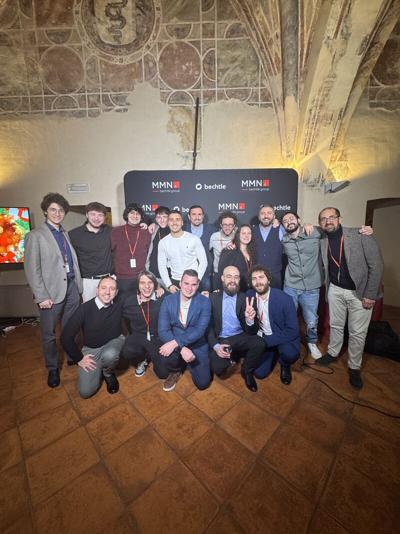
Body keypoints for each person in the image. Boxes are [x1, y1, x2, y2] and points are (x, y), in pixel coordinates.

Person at [317, 207, 384, 389]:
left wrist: (370, 294)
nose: (328, 221)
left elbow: (377, 266)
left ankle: (354, 367)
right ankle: (333, 353)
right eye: (323, 219)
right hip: (335, 289)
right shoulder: (322, 238)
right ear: (320, 223)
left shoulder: (361, 235)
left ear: (339, 219)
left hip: (359, 292)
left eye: (332, 217)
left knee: (357, 333)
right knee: (336, 325)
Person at [25, 192, 82, 388]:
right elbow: (32, 269)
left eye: (61, 210)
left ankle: (71, 355)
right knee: (49, 334)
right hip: (50, 293)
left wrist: (78, 287)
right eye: (53, 210)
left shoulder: (65, 233)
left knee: (70, 327)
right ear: (45, 211)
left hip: (72, 287)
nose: (57, 213)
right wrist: (41, 296)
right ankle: (52, 368)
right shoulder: (35, 235)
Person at [60, 276, 124, 398]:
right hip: (92, 349)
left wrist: (157, 289)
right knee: (85, 392)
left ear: (116, 292)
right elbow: (65, 337)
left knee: (110, 354)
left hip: (115, 341)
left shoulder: (119, 304)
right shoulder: (84, 309)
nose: (107, 292)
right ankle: (100, 368)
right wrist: (79, 358)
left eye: (112, 289)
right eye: (103, 288)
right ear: (97, 290)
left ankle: (108, 373)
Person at [208, 265, 266, 392]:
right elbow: (209, 327)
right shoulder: (212, 298)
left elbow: (252, 331)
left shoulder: (246, 299)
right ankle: (233, 354)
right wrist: (216, 346)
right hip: (222, 338)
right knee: (218, 368)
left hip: (240, 336)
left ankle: (247, 371)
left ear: (239, 279)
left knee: (260, 343)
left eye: (236, 277)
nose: (232, 280)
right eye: (229, 276)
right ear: (222, 278)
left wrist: (250, 320)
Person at [157, 270, 212, 391]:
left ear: (198, 285)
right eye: (186, 283)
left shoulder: (205, 302)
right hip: (175, 342)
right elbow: (163, 330)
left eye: (193, 284)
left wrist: (176, 343)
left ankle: (188, 364)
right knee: (162, 367)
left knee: (203, 384)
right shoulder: (168, 300)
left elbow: (199, 330)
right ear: (180, 283)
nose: (189, 288)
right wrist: (182, 348)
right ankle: (176, 370)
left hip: (196, 343)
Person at [247, 265, 300, 385]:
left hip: (280, 336)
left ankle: (284, 364)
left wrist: (265, 342)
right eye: (254, 278)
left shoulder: (285, 299)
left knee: (290, 354)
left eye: (261, 277)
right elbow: (249, 329)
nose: (258, 282)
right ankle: (273, 353)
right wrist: (249, 320)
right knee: (259, 373)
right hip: (263, 336)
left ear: (269, 280)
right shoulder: (249, 296)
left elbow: (293, 330)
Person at [121, 270, 165, 377]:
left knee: (163, 374)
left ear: (155, 284)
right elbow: (124, 320)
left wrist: (162, 288)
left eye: (150, 282)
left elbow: (179, 297)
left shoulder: (162, 298)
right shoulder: (129, 302)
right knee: (127, 351)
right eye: (142, 283)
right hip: (139, 335)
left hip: (157, 337)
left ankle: (150, 355)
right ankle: (142, 359)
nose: (147, 286)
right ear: (137, 285)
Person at [69, 202, 112, 302]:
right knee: (89, 309)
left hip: (109, 279)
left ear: (104, 217)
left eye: (100, 215)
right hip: (88, 282)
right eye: (93, 214)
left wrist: (144, 225)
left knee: (110, 310)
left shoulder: (111, 231)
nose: (96, 218)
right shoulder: (73, 235)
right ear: (87, 215)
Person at [158, 211, 207, 292]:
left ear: (182, 222)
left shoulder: (194, 239)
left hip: (193, 280)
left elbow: (204, 262)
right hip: (175, 282)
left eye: (177, 219)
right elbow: (161, 265)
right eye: (171, 220)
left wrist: (197, 280)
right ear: (168, 223)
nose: (174, 223)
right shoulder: (163, 242)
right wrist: (169, 285)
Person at [111, 203, 151, 294]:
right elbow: (109, 254)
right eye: (132, 213)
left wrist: (152, 224)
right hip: (121, 278)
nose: (135, 216)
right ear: (126, 215)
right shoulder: (116, 232)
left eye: (138, 214)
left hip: (141, 277)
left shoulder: (146, 232)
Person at [253, 204, 285, 288]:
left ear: (274, 216)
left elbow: (296, 231)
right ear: (259, 217)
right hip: (256, 276)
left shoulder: (281, 229)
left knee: (275, 296)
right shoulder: (252, 231)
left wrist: (307, 225)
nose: (266, 216)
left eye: (269, 213)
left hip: (275, 276)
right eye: (263, 213)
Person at [218, 224, 257, 292]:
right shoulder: (229, 251)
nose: (246, 236)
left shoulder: (253, 252)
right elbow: (221, 272)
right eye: (243, 233)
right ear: (238, 235)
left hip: (251, 290)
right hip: (235, 290)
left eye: (249, 233)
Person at [185, 205, 215, 292]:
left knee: (205, 298)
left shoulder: (212, 229)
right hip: (188, 274)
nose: (197, 217)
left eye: (199, 214)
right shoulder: (183, 229)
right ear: (189, 216)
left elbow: (226, 233)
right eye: (194, 214)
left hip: (206, 273)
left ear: (203, 216)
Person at [209, 210, 237, 290]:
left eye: (230, 225)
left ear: (234, 225)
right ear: (221, 225)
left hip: (233, 274)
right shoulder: (214, 236)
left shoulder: (238, 236)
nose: (227, 227)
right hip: (218, 273)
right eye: (225, 225)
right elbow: (208, 251)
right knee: (217, 295)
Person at [146, 206, 170, 288]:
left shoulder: (175, 231)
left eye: (164, 217)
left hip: (170, 276)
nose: (162, 220)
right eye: (159, 217)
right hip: (154, 275)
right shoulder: (153, 230)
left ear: (169, 217)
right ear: (156, 219)